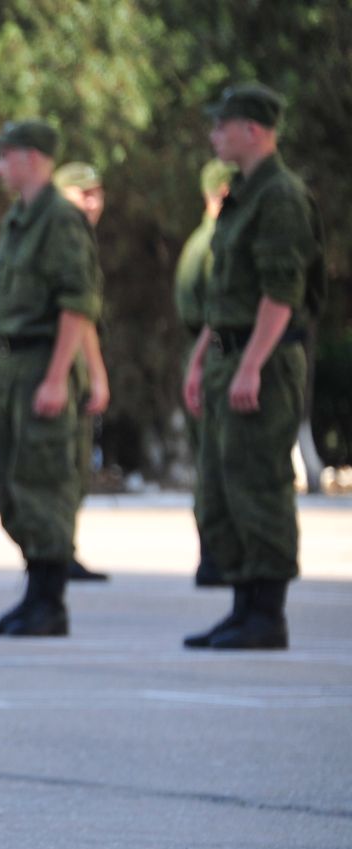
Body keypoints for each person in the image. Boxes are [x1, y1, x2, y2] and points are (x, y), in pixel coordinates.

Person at [182, 83, 323, 651]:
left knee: (258, 483)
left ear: (254, 131)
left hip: (261, 357)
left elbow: (280, 294)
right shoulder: (242, 193)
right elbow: (226, 295)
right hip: (229, 354)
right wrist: (200, 362)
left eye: (224, 125)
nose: (215, 135)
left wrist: (252, 366)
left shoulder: (280, 196)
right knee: (221, 485)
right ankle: (243, 605)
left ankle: (268, 613)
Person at [0, 120, 101, 638]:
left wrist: (56, 378)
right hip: (12, 365)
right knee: (11, 484)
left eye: (4, 156)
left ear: (31, 158)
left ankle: (48, 603)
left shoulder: (60, 219)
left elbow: (77, 304)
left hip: (43, 362)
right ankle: (34, 593)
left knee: (43, 483)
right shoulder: (18, 219)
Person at [174, 158, 235, 589]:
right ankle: (218, 557)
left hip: (200, 352)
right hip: (211, 353)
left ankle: (214, 556)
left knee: (211, 462)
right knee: (220, 463)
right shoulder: (216, 243)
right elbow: (219, 311)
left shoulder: (200, 240)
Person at [53, 161, 113, 583]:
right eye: (81, 193)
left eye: (97, 193)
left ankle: (62, 548)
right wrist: (97, 374)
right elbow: (79, 317)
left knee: (72, 463)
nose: (91, 202)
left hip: (67, 370)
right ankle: (54, 551)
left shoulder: (76, 239)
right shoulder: (66, 238)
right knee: (60, 462)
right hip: (62, 368)